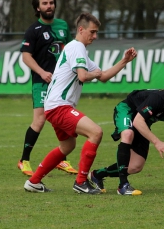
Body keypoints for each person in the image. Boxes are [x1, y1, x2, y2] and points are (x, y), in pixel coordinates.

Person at [24, 12, 137, 194]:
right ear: (81, 29)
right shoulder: (76, 47)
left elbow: (104, 76)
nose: (95, 36)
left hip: (55, 106)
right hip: (59, 105)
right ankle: (81, 182)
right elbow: (84, 75)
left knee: (67, 146)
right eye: (92, 32)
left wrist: (124, 61)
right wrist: (94, 74)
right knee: (96, 132)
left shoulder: (80, 50)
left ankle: (34, 181)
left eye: (96, 32)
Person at [88, 89, 164, 195]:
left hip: (143, 122)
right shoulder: (159, 98)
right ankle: (123, 186)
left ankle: (97, 175)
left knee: (135, 167)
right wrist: (157, 142)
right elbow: (138, 121)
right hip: (128, 110)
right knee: (128, 134)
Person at [18, 0, 77, 176]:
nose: (49, 6)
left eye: (51, 2)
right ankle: (24, 160)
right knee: (41, 119)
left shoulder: (63, 26)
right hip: (41, 82)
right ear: (38, 7)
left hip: (61, 82)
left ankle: (62, 160)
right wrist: (42, 72)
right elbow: (26, 56)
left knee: (61, 117)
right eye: (44, 3)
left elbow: (70, 49)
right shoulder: (33, 30)